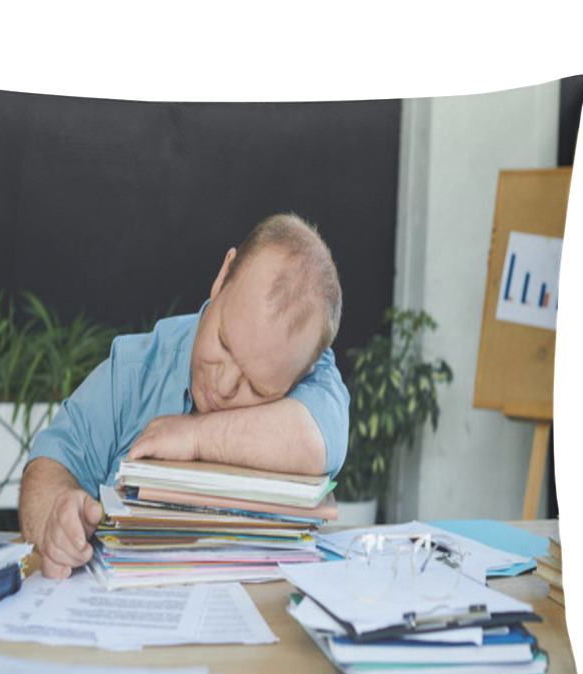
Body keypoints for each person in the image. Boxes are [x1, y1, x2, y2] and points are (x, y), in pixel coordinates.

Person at [19, 213, 350, 578]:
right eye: (224, 344)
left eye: (256, 387)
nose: (222, 386)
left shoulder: (313, 379)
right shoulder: (135, 372)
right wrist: (56, 520)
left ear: (304, 373)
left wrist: (195, 436)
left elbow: (313, 439)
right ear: (223, 275)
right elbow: (49, 464)